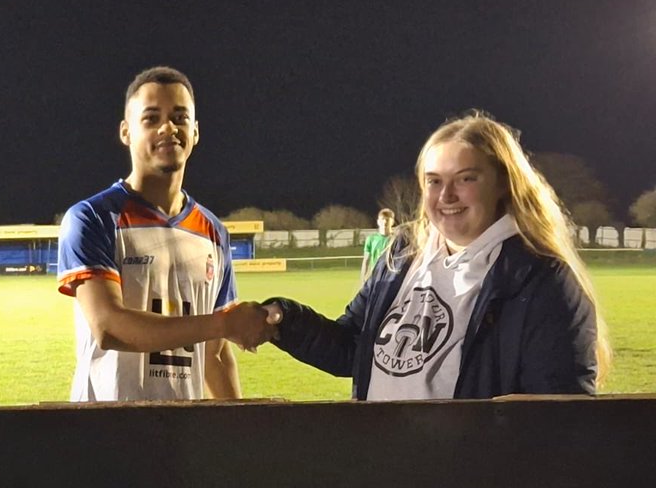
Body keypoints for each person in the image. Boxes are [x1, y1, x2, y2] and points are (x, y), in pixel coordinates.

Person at [261, 111, 609, 399]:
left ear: (504, 182)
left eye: (466, 179)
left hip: (464, 480)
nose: (447, 196)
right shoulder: (403, 255)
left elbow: (560, 422)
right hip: (380, 468)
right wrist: (282, 320)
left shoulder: (541, 280)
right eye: (434, 181)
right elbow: (354, 349)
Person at [56, 66, 272, 401]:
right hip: (100, 434)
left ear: (195, 132)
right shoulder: (92, 218)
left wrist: (239, 433)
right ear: (126, 132)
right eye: (151, 118)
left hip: (181, 437)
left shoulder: (213, 231)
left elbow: (213, 355)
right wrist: (223, 324)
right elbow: (108, 326)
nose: (168, 127)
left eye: (180, 117)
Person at [360, 208, 395, 281]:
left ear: (392, 222)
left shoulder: (396, 239)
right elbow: (366, 260)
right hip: (375, 277)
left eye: (387, 219)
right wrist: (363, 278)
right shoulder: (371, 239)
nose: (385, 222)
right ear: (378, 222)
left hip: (390, 277)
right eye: (383, 219)